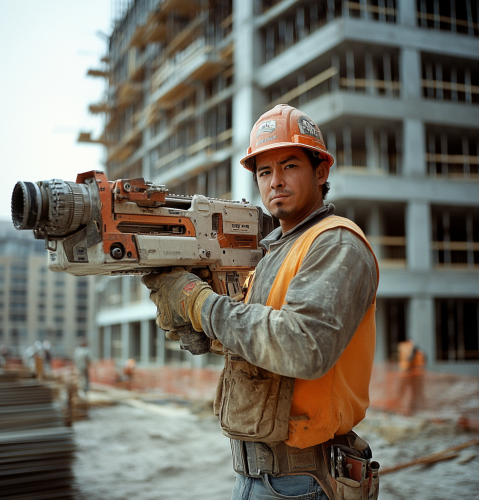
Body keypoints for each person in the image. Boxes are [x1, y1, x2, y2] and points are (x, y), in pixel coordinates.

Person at [143, 104, 379, 500]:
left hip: (303, 482)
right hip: (258, 475)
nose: (275, 182)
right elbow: (257, 339)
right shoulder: (273, 252)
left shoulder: (336, 243)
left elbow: (301, 346)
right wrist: (196, 323)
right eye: (265, 172)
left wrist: (199, 304)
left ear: (321, 171)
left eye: (289, 166)